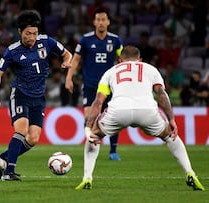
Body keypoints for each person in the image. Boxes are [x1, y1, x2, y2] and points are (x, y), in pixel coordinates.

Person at [75, 45, 205, 191]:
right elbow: (162, 95)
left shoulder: (110, 72)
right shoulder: (150, 69)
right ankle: (190, 172)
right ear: (140, 60)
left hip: (119, 111)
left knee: (94, 135)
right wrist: (171, 119)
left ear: (119, 60)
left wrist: (89, 126)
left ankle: (87, 178)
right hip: (147, 111)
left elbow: (98, 102)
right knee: (170, 136)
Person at [0, 10, 72, 181]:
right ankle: (8, 172)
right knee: (21, 131)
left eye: (34, 33)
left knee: (33, 138)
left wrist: (66, 61)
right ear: (20, 32)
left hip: (39, 97)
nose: (32, 37)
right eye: (28, 33)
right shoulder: (12, 51)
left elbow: (67, 53)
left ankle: (1, 160)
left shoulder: (46, 41)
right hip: (20, 94)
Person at [65, 7, 123, 161]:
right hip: (90, 85)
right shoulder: (85, 40)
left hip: (110, 86)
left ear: (108, 22)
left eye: (104, 20)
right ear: (94, 22)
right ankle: (93, 144)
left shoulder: (116, 40)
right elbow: (76, 59)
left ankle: (113, 151)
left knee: (113, 117)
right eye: (98, 20)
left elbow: (122, 61)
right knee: (89, 115)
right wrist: (69, 78)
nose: (101, 22)